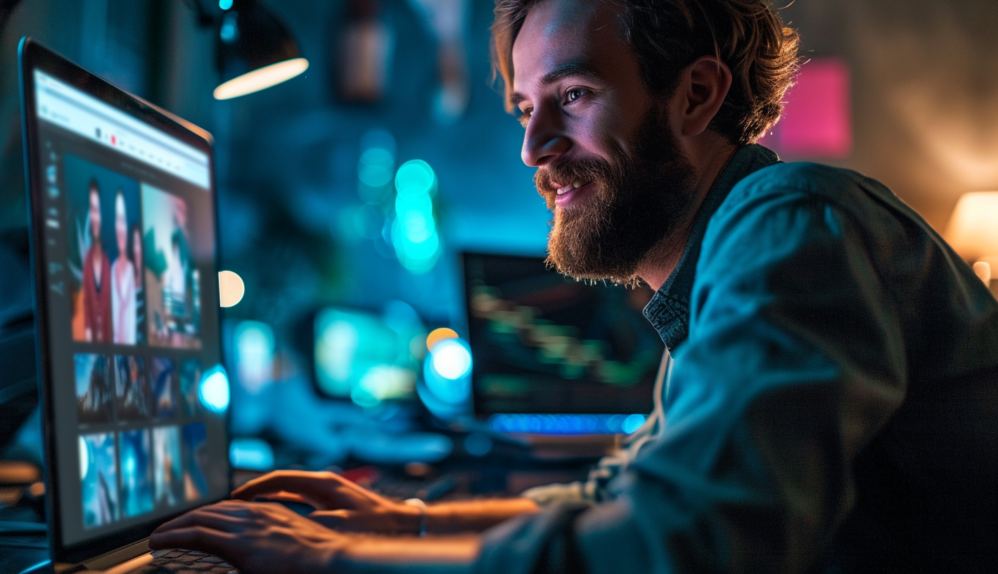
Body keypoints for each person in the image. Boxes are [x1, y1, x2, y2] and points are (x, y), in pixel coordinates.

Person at [151, 0, 998, 572]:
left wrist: (330, 560)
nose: (534, 148)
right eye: (526, 109)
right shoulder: (717, 280)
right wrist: (387, 521)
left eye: (575, 95)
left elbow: (688, 542)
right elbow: (621, 500)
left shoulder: (791, 221)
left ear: (696, 94)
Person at [81, 179, 112, 343]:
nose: (94, 216)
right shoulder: (87, 259)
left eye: (97, 210)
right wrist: (88, 332)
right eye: (91, 210)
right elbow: (86, 302)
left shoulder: (107, 263)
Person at [111, 190, 137, 345]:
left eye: (124, 221)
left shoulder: (131, 269)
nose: (121, 228)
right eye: (117, 221)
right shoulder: (112, 268)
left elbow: (132, 324)